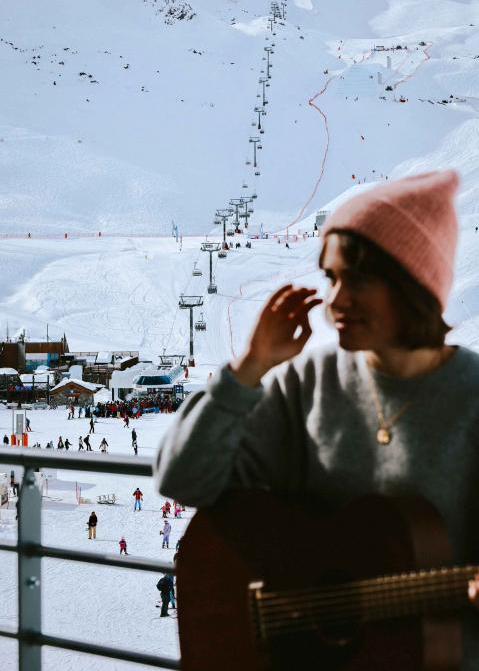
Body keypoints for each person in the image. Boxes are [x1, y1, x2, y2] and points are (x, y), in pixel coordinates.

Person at [154, 170, 479, 667]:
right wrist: (250, 368)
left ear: (414, 282)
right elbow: (183, 477)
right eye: (331, 278)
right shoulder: (306, 383)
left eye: (360, 278)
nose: (337, 300)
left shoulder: (472, 398)